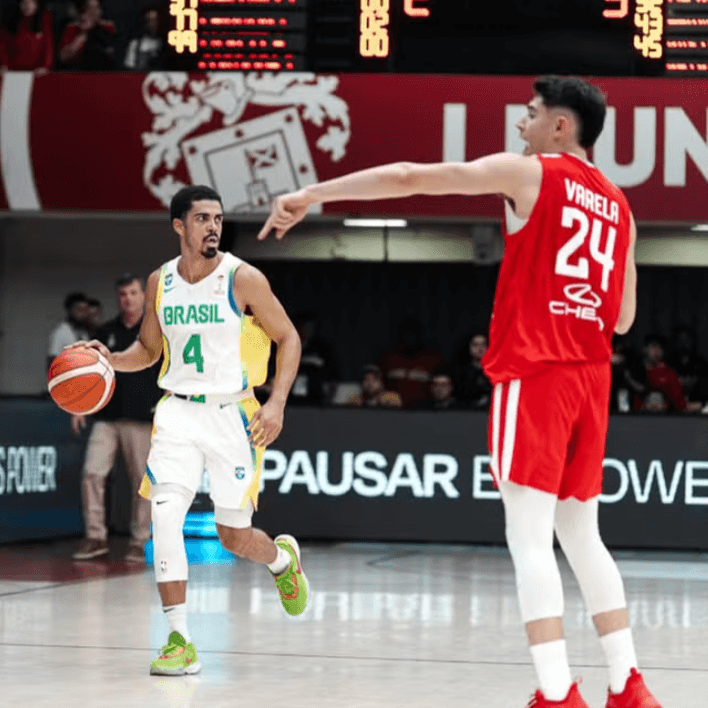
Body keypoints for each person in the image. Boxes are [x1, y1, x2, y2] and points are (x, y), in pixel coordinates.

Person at [259, 76, 657, 708]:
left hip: (538, 370)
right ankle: (628, 684)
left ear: (561, 126)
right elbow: (625, 319)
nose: (519, 126)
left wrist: (313, 193)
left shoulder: (532, 173)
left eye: (529, 116)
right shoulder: (620, 204)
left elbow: (410, 176)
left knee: (528, 538)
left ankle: (556, 695)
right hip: (591, 375)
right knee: (583, 535)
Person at [78, 185, 309, 676]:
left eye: (218, 219)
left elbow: (288, 337)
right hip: (178, 412)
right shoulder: (160, 281)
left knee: (233, 536)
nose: (213, 227)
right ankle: (179, 639)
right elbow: (149, 350)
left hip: (233, 415)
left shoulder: (242, 278)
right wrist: (108, 361)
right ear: (179, 226)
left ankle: (282, 561)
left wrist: (278, 403)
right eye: (202, 218)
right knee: (164, 519)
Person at [70, 274, 160, 564]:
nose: (128, 299)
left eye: (133, 293)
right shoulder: (104, 331)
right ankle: (96, 537)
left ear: (143, 296)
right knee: (92, 473)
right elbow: (88, 373)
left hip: (143, 419)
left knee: (142, 483)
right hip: (106, 417)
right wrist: (79, 406)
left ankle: (139, 540)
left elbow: (171, 371)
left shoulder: (155, 331)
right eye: (123, 294)